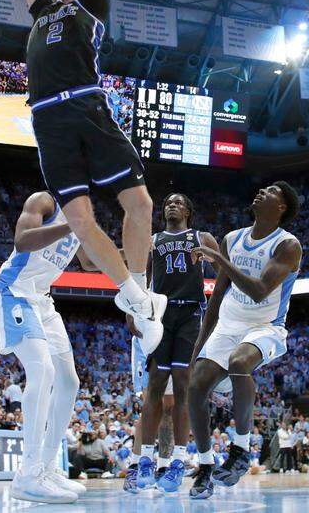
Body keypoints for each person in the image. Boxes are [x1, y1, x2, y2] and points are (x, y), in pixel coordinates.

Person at [18, 0, 166, 357]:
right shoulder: (42, 11)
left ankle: (141, 286)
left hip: (87, 105)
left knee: (141, 204)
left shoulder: (92, 6)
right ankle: (132, 296)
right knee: (80, 219)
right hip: (47, 116)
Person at [186, 183, 303, 499]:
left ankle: (240, 448)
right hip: (228, 323)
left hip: (266, 326)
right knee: (196, 386)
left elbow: (259, 290)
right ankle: (207, 465)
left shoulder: (288, 245)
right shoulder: (232, 238)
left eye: (272, 192)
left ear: (281, 207)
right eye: (262, 188)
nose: (262, 191)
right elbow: (216, 297)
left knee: (239, 362)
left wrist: (218, 259)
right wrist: (199, 346)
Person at [0, 191, 97, 504]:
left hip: (42, 301)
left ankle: (48, 468)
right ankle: (28, 474)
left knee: (69, 381)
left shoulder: (84, 214)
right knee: (43, 371)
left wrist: (133, 252)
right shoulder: (45, 201)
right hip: (13, 292)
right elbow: (22, 241)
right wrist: (71, 225)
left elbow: (90, 263)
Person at [125, 193, 218, 494]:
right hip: (160, 315)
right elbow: (139, 279)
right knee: (154, 387)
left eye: (179, 202)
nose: (172, 205)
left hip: (190, 313)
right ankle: (146, 460)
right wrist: (130, 309)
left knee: (181, 389)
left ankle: (179, 460)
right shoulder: (152, 241)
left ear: (189, 210)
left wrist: (212, 258)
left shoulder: (201, 237)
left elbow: (223, 272)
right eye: (168, 202)